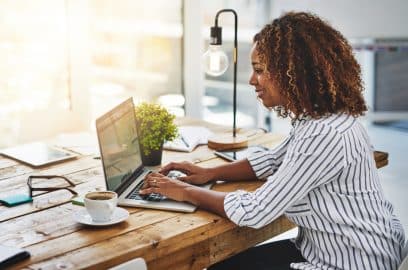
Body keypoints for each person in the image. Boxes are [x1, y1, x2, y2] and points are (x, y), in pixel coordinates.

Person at [140, 12, 405, 270]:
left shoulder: (324, 133)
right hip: (335, 247)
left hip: (352, 261)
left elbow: (257, 211)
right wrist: (209, 173)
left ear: (293, 72)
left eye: (259, 70)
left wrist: (181, 191)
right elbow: (272, 160)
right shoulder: (319, 118)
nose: (252, 80)